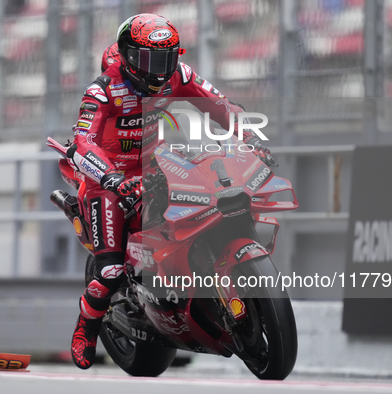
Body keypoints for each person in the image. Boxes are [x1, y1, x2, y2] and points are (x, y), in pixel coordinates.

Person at [68, 13, 271, 369]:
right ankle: (87, 327)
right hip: (107, 180)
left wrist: (252, 138)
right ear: (127, 55)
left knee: (206, 205)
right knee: (111, 271)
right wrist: (113, 178)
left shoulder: (179, 75)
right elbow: (82, 143)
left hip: (157, 167)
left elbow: (221, 106)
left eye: (166, 58)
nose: (158, 69)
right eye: (147, 60)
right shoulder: (102, 90)